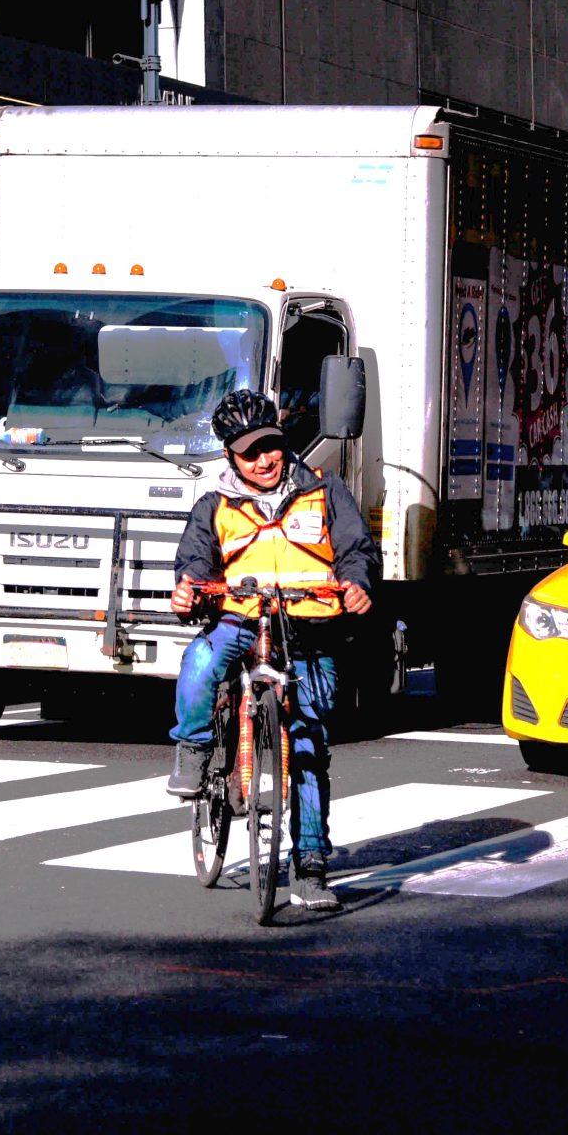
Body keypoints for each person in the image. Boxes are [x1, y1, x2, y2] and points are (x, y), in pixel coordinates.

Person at [166, 390, 375, 912]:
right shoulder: (213, 504)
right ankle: (193, 751)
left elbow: (355, 549)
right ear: (230, 457)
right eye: (250, 452)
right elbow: (194, 559)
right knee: (199, 662)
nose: (265, 460)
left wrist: (356, 583)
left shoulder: (325, 491)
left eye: (272, 447)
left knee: (309, 749)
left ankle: (310, 868)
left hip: (309, 626)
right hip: (241, 618)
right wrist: (188, 585)